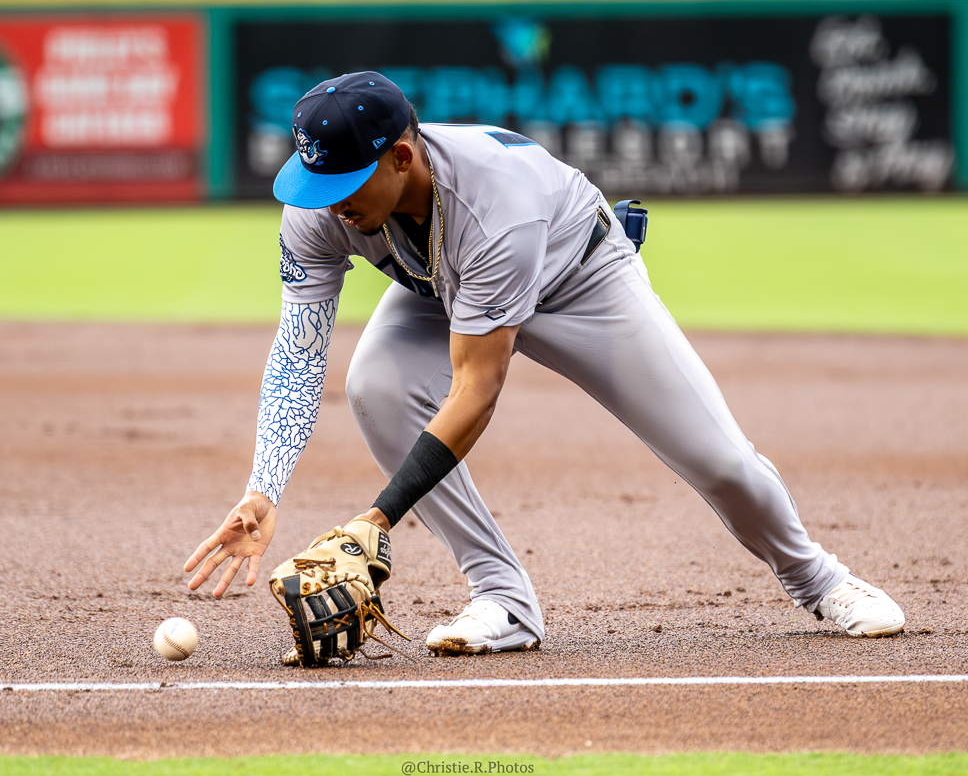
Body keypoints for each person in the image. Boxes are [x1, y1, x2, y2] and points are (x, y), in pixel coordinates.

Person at [184, 71, 905, 655]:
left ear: (401, 157)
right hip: (447, 282)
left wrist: (377, 519)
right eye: (317, 183)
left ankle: (819, 579)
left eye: (345, 182)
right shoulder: (318, 207)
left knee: (718, 459)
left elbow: (477, 389)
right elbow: (298, 351)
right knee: (376, 385)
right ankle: (502, 599)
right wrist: (263, 487)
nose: (330, 202)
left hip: (578, 279)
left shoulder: (494, 203)